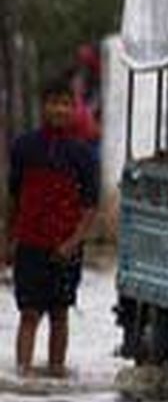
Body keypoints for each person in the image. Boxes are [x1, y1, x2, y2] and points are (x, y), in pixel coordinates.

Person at [4, 77, 99, 378]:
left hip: (66, 247)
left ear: (73, 109)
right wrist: (8, 240)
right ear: (44, 107)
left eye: (66, 104)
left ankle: (57, 375)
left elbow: (90, 207)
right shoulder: (23, 147)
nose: (60, 109)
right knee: (29, 313)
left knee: (60, 313)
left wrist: (73, 242)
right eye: (54, 103)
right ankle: (23, 374)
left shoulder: (83, 155)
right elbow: (14, 199)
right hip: (30, 243)